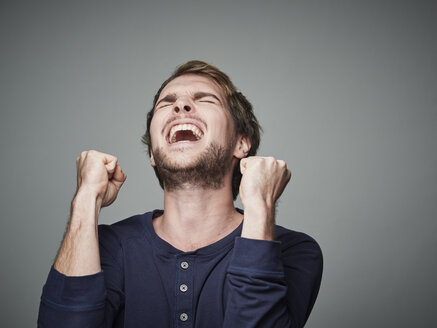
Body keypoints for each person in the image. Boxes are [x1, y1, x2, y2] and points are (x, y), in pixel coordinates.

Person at [38, 60, 323, 327]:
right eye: (168, 102)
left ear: (241, 143)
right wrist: (86, 198)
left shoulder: (292, 250)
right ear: (152, 152)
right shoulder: (106, 246)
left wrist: (261, 205)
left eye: (204, 99)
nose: (181, 106)